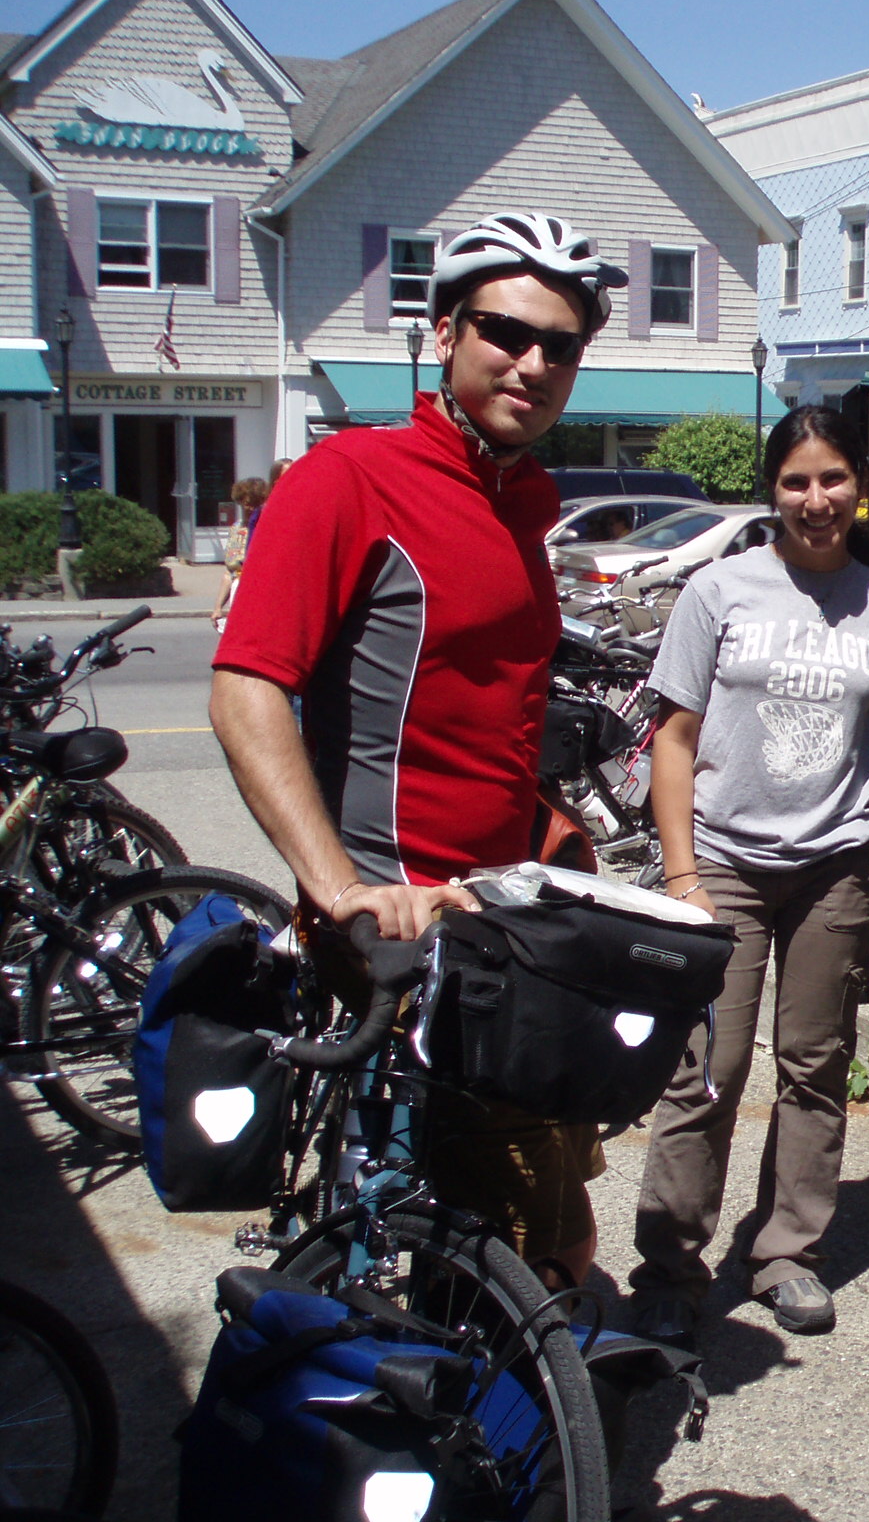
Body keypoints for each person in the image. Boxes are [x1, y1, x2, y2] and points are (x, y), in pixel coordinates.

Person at [210, 211, 628, 1283]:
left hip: (492, 920)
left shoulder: (519, 502)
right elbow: (248, 687)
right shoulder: (351, 480)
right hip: (397, 932)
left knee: (538, 1235)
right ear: (444, 332)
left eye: (561, 346)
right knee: (483, 1243)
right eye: (506, 331)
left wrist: (546, 824)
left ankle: (497, 1431)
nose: (532, 364)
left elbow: (474, 701)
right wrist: (338, 883)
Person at [629, 405, 869, 1344]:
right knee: (707, 1068)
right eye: (796, 481)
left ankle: (787, 1251)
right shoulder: (719, 592)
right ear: (774, 491)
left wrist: (824, 788)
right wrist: (683, 873)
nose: (816, 499)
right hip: (723, 864)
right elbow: (672, 738)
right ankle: (670, 1265)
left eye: (833, 479)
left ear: (861, 488)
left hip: (836, 866)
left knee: (815, 1063)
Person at [210, 475, 269, 630]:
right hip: (238, 593)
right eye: (245, 503)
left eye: (255, 504)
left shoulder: (267, 527)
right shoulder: (236, 529)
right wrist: (218, 608)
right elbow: (229, 573)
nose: (249, 509)